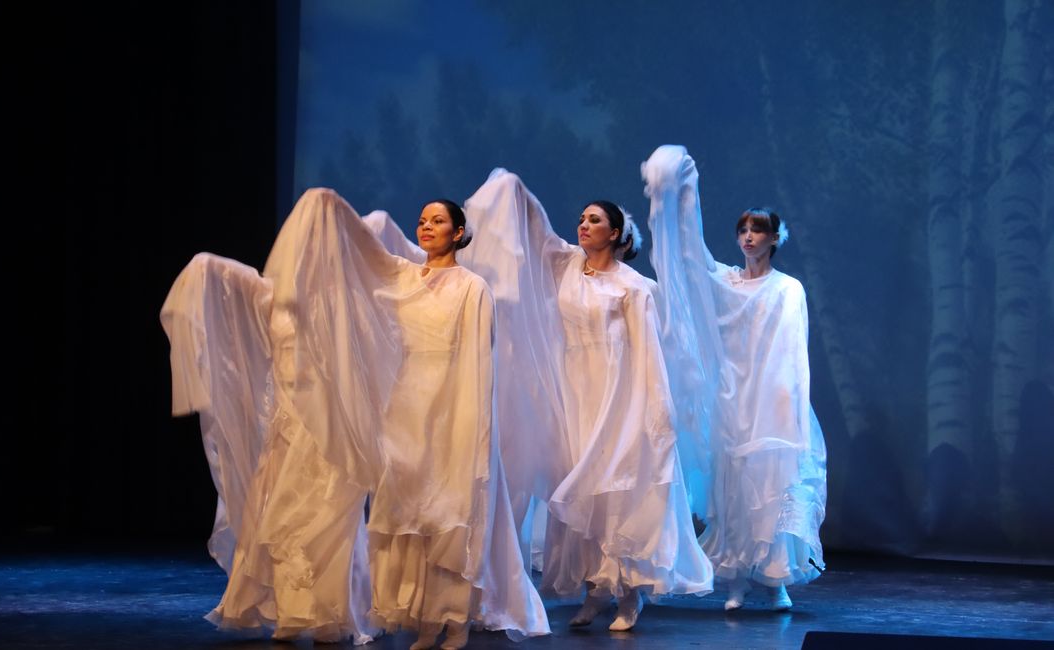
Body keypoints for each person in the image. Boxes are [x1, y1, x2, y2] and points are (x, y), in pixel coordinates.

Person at [161, 189, 548, 649]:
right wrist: (327, 209)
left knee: (451, 514)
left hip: (451, 408)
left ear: (459, 232)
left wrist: (471, 425)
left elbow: (478, 363)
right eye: (422, 220)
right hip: (406, 412)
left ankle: (455, 617)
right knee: (410, 518)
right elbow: (363, 253)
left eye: (438, 221)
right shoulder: (403, 277)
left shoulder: (472, 287)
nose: (427, 227)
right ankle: (425, 619)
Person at [460, 170, 714, 632]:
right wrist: (516, 190)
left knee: (617, 491)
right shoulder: (566, 265)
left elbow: (648, 353)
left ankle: (629, 594)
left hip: (619, 399)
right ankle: (596, 588)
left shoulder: (633, 286)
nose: (583, 225)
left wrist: (656, 411)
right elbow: (537, 232)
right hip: (574, 396)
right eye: (581, 218)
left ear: (614, 233)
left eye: (594, 220)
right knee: (582, 494)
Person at [642, 145, 827, 612]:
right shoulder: (726, 281)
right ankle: (736, 580)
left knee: (770, 486)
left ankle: (774, 577)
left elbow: (792, 353)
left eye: (756, 230)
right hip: (731, 399)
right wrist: (685, 191)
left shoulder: (787, 288)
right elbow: (692, 254)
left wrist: (784, 406)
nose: (748, 237)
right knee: (733, 488)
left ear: (774, 237)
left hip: (769, 400)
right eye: (743, 229)